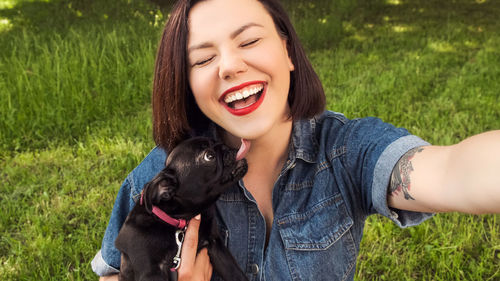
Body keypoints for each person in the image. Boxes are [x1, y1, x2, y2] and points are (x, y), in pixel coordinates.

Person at [91, 0, 500, 280]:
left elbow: (453, 171)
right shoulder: (161, 175)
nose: (230, 65)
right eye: (203, 59)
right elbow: (114, 270)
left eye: (248, 40)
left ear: (287, 50)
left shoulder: (345, 151)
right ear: (188, 83)